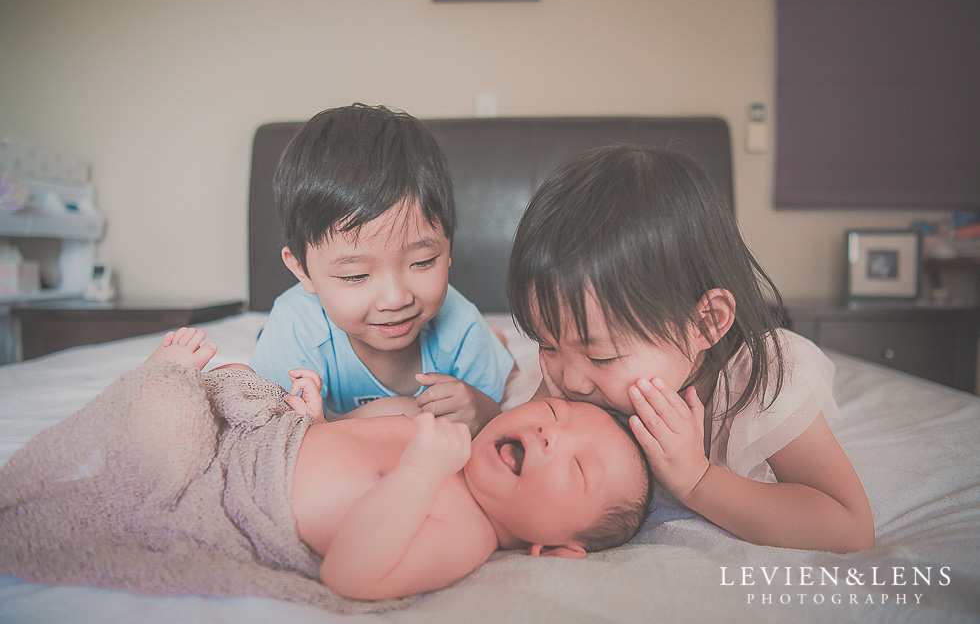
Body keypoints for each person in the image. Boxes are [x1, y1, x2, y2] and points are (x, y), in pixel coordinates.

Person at [506, 144, 875, 553]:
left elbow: (848, 526)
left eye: (602, 357)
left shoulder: (761, 380)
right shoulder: (569, 373)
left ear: (706, 323)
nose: (569, 380)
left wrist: (697, 479)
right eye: (546, 344)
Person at [143, 328, 652, 599]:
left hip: (244, 495)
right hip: (273, 438)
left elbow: (352, 575)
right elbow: (360, 436)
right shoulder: (448, 437)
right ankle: (166, 396)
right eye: (551, 411)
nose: (549, 434)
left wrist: (419, 474)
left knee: (165, 448)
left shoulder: (466, 536)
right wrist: (315, 424)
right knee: (236, 374)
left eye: (579, 468)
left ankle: (154, 392)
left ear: (558, 549)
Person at [250, 104, 514, 434]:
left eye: (422, 262)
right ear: (302, 270)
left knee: (499, 355)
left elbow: (498, 418)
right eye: (355, 276)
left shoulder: (461, 326)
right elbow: (274, 434)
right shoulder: (295, 326)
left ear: (448, 248)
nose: (395, 299)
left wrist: (483, 410)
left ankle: (497, 339)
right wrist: (377, 416)